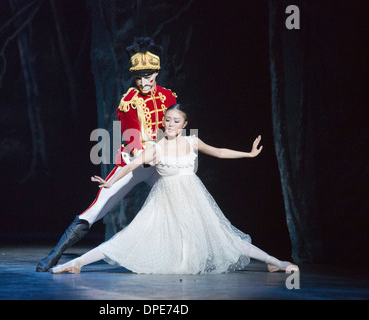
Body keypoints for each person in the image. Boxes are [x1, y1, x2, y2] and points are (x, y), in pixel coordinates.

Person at [51, 104, 298, 274]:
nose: (170, 124)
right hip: (164, 202)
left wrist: (249, 154)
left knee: (226, 237)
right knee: (129, 238)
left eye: (176, 121)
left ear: (184, 124)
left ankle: (275, 262)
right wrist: (110, 182)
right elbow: (133, 165)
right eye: (167, 120)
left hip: (193, 200)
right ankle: (78, 263)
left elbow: (220, 152)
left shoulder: (193, 141)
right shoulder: (155, 148)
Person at [36, 37, 177, 272]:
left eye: (148, 75)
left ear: (157, 73)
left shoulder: (169, 97)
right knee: (96, 208)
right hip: (134, 163)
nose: (143, 81)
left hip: (160, 162)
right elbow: (132, 139)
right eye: (139, 76)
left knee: (180, 201)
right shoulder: (129, 103)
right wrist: (146, 154)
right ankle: (55, 254)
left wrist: (165, 150)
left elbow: (173, 128)